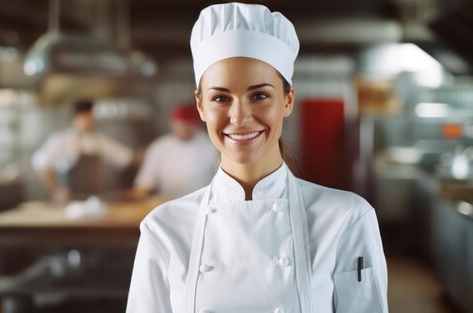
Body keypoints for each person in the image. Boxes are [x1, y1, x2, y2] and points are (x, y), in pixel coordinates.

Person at [126, 3, 388, 313]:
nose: (239, 117)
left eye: (259, 95)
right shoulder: (163, 230)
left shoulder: (347, 220)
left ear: (287, 99)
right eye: (221, 98)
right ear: (200, 106)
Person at [32, 100, 134, 201]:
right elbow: (41, 163)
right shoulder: (62, 139)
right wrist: (56, 191)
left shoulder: (99, 140)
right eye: (89, 116)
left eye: (92, 116)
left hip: (96, 201)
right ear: (78, 116)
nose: (93, 119)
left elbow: (126, 157)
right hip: (70, 202)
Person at [131, 104, 219, 200]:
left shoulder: (212, 146)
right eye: (180, 124)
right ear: (172, 123)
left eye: (188, 124)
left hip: (202, 202)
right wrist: (139, 192)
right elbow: (145, 180)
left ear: (196, 124)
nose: (183, 128)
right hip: (167, 203)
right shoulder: (160, 146)